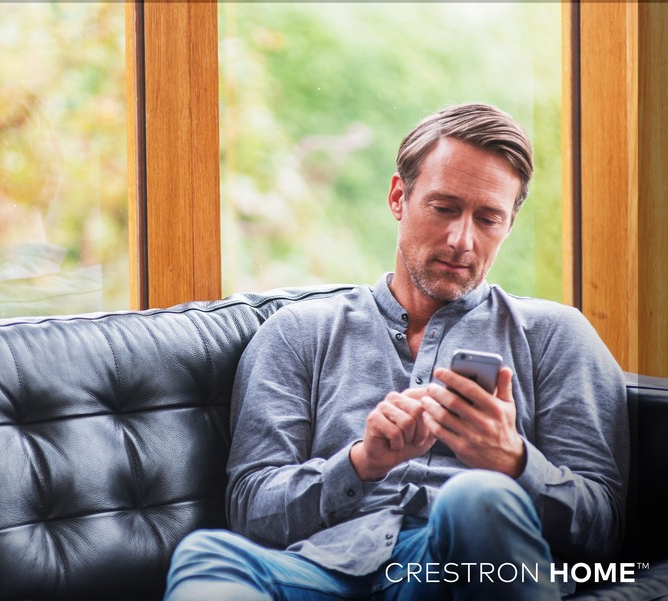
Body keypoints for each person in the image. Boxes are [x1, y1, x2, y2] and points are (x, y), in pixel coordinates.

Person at [163, 103, 628, 601]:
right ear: (398, 197)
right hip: (325, 574)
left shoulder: (555, 336)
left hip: (458, 576)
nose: (461, 240)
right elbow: (252, 509)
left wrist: (512, 461)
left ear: (509, 225)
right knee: (206, 553)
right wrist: (362, 462)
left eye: (488, 219)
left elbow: (602, 525)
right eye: (444, 208)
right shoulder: (298, 332)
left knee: (478, 497)